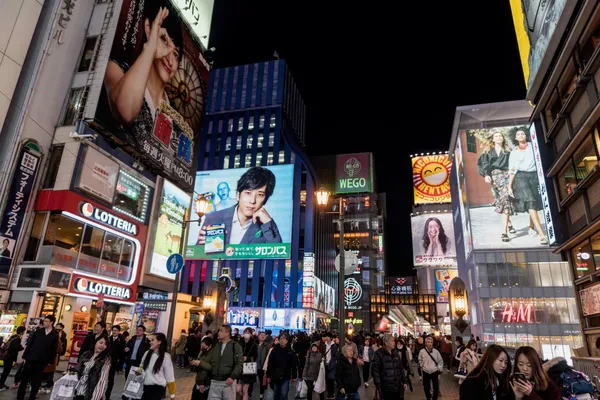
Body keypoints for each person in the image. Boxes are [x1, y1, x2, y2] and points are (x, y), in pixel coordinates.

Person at [196, 167, 282, 246]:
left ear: (265, 200)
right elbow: (196, 259)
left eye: (260, 195)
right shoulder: (214, 218)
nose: (252, 201)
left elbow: (277, 255)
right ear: (238, 195)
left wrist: (268, 223)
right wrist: (201, 249)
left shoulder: (266, 228)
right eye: (248, 193)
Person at [507, 128, 548, 244]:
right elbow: (512, 169)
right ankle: (542, 235)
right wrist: (509, 186)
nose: (520, 135)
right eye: (518, 134)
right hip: (520, 178)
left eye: (522, 133)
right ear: (515, 138)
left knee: (533, 203)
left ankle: (531, 227)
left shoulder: (533, 146)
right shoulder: (514, 152)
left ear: (526, 135)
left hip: (535, 176)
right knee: (530, 201)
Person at [477, 129, 516, 242]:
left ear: (503, 138)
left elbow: (513, 163)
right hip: (494, 177)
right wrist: (486, 175)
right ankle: (509, 224)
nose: (499, 137)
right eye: (496, 136)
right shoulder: (488, 151)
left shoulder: (508, 151)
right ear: (493, 139)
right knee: (502, 200)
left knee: (505, 200)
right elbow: (484, 164)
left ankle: (504, 232)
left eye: (500, 136)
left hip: (506, 175)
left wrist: (511, 171)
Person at [17, 315, 59, 400]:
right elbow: (30, 344)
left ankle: (33, 396)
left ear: (51, 322)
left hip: (42, 360)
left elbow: (53, 348)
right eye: (44, 321)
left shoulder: (54, 334)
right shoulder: (38, 331)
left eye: (46, 321)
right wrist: (25, 356)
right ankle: (20, 396)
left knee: (37, 379)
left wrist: (50, 360)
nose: (44, 322)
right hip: (31, 357)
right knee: (25, 378)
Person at [198, 325, 243, 400]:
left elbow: (239, 363)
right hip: (214, 382)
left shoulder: (235, 346)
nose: (219, 333)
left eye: (221, 331)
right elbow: (208, 363)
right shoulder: (215, 345)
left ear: (227, 333)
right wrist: (201, 380)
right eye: (219, 331)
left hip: (228, 382)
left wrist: (232, 377)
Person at [138, 333, 176, 400]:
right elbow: (141, 366)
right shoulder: (147, 353)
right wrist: (139, 371)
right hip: (144, 387)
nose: (150, 342)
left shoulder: (166, 357)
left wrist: (172, 394)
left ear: (159, 342)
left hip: (157, 389)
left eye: (152, 340)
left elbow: (170, 376)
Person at [371, 333, 409, 400]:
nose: (394, 343)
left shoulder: (395, 353)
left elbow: (400, 368)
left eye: (394, 341)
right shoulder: (378, 353)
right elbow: (375, 371)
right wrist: (378, 385)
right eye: (392, 341)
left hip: (397, 386)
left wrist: (405, 381)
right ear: (386, 342)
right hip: (386, 388)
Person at [74, 336, 111, 400]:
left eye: (105, 344)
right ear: (95, 342)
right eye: (101, 342)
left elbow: (102, 380)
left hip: (91, 392)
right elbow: (77, 370)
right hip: (78, 389)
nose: (102, 345)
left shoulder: (105, 360)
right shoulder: (86, 354)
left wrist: (95, 397)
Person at [266, 333, 298, 400]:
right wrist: (268, 375)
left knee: (283, 394)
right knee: (276, 394)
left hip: (286, 376)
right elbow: (270, 363)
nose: (282, 340)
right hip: (275, 375)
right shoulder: (274, 350)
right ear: (279, 340)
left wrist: (294, 376)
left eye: (284, 339)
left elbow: (293, 364)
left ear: (287, 341)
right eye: (281, 339)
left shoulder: (290, 351)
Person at [0, 326, 25, 390]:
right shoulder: (18, 339)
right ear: (22, 332)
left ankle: (1, 383)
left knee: (5, 371)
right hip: (10, 357)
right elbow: (15, 348)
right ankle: (1, 384)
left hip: (6, 356)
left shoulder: (13, 336)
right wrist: (21, 347)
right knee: (6, 371)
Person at [106, 325, 126, 400]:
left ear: (119, 331)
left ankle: (108, 396)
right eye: (113, 330)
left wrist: (120, 365)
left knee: (111, 380)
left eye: (116, 330)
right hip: (106, 361)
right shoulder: (108, 339)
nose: (114, 332)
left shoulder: (122, 340)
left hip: (114, 363)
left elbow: (122, 354)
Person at [240, 327, 258, 400]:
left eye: (248, 332)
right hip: (239, 366)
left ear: (251, 334)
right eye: (245, 332)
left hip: (249, 367)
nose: (246, 334)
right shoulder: (239, 342)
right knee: (238, 388)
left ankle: (246, 397)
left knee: (245, 388)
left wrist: (247, 358)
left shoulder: (253, 344)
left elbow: (255, 356)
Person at [320, 332, 338, 400]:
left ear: (330, 337)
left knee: (331, 379)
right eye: (325, 336)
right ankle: (329, 394)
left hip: (332, 365)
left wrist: (334, 363)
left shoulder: (334, 346)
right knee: (327, 380)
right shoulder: (324, 345)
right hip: (325, 364)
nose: (326, 338)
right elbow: (322, 354)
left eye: (327, 336)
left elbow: (336, 356)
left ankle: (332, 393)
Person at [257, 332, 269, 399]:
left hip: (262, 366)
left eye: (264, 335)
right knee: (251, 381)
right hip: (254, 365)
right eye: (261, 335)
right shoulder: (255, 345)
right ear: (258, 336)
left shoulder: (267, 346)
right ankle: (249, 394)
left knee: (262, 381)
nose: (262, 336)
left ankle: (261, 393)